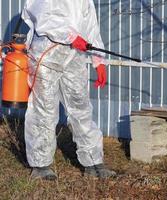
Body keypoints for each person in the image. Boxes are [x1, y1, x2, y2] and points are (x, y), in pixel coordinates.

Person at [21, 0, 116, 180]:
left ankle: (93, 162)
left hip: (74, 55)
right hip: (46, 53)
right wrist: (70, 36)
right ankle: (40, 165)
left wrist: (99, 60)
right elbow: (42, 16)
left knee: (81, 108)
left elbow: (90, 25)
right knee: (44, 110)